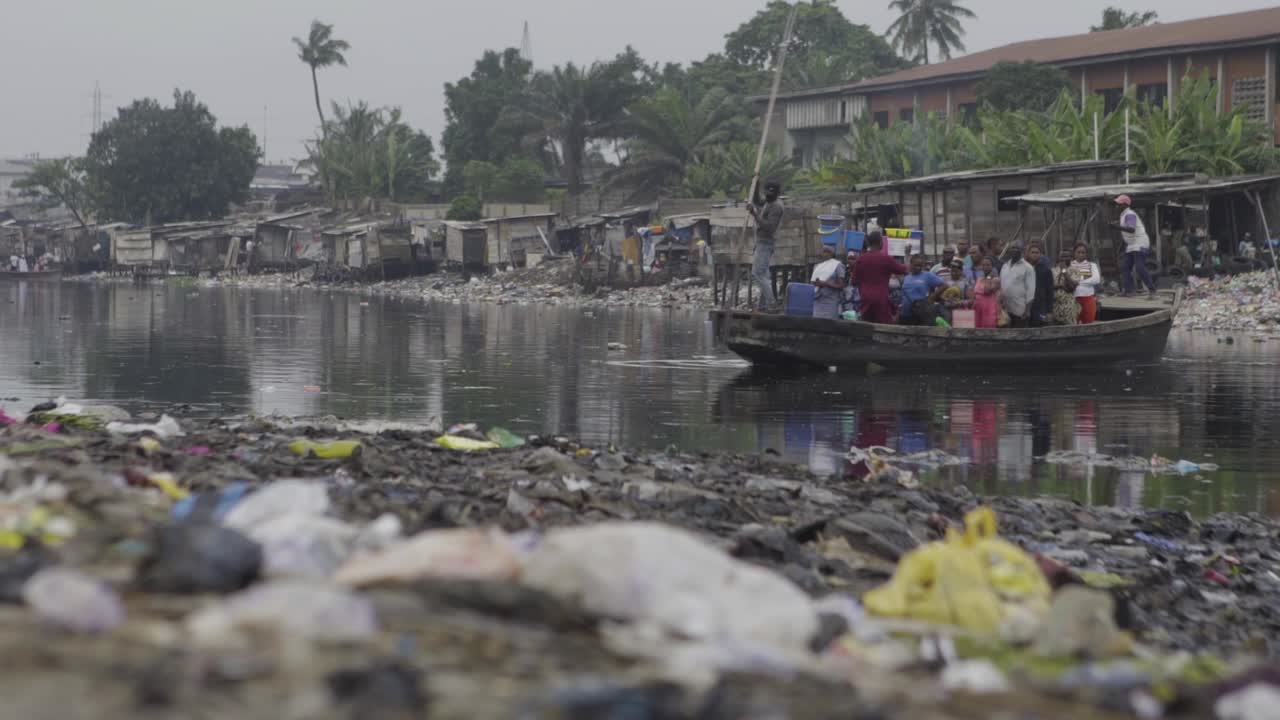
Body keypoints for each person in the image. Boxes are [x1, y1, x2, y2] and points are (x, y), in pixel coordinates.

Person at [852, 230, 907, 325]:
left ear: (869, 243)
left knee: (867, 327)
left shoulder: (860, 259)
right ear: (881, 242)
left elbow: (854, 280)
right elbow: (904, 270)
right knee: (885, 327)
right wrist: (908, 255)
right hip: (881, 299)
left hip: (865, 298)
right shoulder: (886, 259)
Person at [748, 179, 785, 311]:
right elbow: (757, 201)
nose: (768, 194)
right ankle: (763, 306)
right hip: (761, 242)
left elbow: (769, 227)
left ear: (777, 193)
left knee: (757, 273)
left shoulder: (776, 206)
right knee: (763, 274)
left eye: (771, 192)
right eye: (766, 191)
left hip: (766, 243)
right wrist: (756, 184)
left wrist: (754, 214)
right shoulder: (769, 202)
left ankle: (771, 304)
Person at [1111, 194, 1156, 299]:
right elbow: (1126, 233)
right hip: (1132, 245)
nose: (1116, 206)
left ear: (1125, 205)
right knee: (1125, 267)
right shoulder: (1123, 215)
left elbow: (1131, 229)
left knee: (1140, 267)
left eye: (1119, 204)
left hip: (1140, 242)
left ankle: (1152, 290)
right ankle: (1129, 290)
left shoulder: (1130, 214)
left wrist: (1116, 227)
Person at [899, 253, 946, 325]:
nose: (918, 268)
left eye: (920, 265)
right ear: (911, 264)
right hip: (905, 313)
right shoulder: (907, 277)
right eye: (916, 265)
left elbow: (944, 285)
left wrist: (932, 297)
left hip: (920, 314)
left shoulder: (927, 275)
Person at [998, 244, 1035, 328]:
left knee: (1020, 335)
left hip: (1020, 310)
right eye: (1012, 248)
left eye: (1017, 248)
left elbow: (1031, 291)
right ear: (1009, 251)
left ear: (1022, 250)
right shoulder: (1005, 266)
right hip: (1005, 310)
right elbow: (1001, 285)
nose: (1014, 250)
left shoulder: (1028, 267)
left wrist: (1028, 310)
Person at [810, 244, 846, 320]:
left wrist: (826, 284)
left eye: (828, 252)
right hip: (818, 300)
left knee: (829, 324)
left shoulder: (837, 265)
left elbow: (841, 285)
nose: (825, 254)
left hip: (830, 301)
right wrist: (818, 283)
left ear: (832, 253)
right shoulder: (817, 266)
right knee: (817, 323)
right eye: (824, 251)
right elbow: (812, 283)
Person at [1071, 243, 1102, 324]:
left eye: (1083, 252)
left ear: (1086, 254)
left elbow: (1096, 279)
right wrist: (1087, 280)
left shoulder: (1092, 265)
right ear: (1074, 253)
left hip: (1088, 299)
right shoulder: (1070, 265)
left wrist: (1078, 282)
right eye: (1078, 252)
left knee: (1088, 322)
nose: (1080, 254)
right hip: (1073, 299)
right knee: (1073, 322)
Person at [1026, 242, 1055, 326]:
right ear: (1028, 254)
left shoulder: (1046, 270)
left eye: (1037, 252)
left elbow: (1050, 291)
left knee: (1040, 324)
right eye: (1032, 252)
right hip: (1026, 305)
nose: (1034, 255)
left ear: (1041, 254)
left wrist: (1049, 311)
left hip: (1041, 305)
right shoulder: (1024, 268)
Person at [1052, 251, 1080, 325]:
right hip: (1055, 305)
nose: (1064, 259)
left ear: (1071, 258)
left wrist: (1064, 271)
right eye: (1062, 256)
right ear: (1059, 258)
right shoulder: (1053, 270)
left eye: (1067, 256)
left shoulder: (1075, 270)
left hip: (1068, 306)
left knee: (1070, 327)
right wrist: (1061, 286)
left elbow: (1071, 287)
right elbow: (1049, 286)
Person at [973, 257, 1001, 329]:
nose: (985, 267)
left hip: (989, 309)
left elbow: (987, 291)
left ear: (992, 267)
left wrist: (989, 277)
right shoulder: (979, 279)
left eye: (988, 265)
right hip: (978, 309)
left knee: (988, 329)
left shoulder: (996, 279)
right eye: (983, 265)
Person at [842, 250, 861, 316]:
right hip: (846, 296)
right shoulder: (845, 269)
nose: (850, 260)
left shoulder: (860, 269)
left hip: (857, 297)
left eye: (853, 259)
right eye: (849, 258)